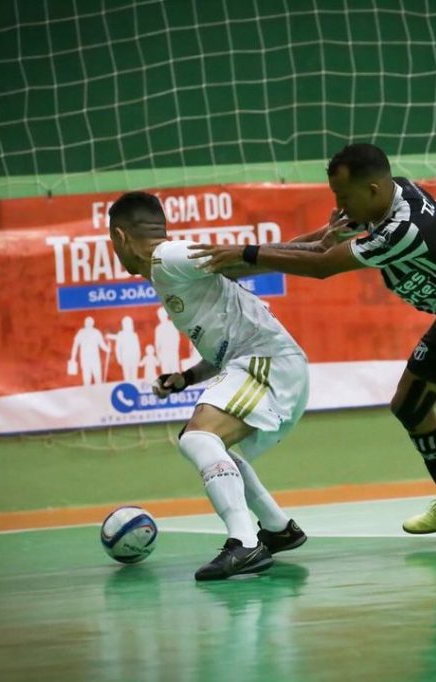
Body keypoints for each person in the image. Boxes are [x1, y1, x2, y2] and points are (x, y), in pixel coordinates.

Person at [193, 143, 436, 557]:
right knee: (410, 406)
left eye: (344, 197)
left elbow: (321, 266)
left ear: (372, 189)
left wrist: (244, 253)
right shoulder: (383, 200)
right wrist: (237, 265)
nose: (339, 206)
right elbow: (318, 245)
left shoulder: (404, 230)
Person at [108, 191, 309, 580]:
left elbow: (253, 259)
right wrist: (186, 378)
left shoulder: (169, 257)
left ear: (120, 237)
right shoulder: (166, 272)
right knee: (209, 445)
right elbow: (222, 348)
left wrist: (319, 242)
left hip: (270, 363)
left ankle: (245, 544)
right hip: (255, 362)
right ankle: (277, 529)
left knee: (197, 439)